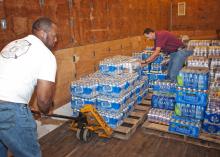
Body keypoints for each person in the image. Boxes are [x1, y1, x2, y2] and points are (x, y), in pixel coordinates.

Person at [0, 17, 58, 157]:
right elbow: (44, 100)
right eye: (54, 36)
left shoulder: (12, 44)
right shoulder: (46, 55)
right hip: (10, 112)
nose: (56, 40)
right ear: (44, 33)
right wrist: (46, 110)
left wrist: (24, 107)